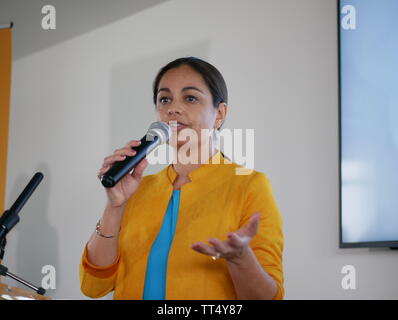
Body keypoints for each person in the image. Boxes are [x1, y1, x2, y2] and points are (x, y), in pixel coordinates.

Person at [79, 57, 284, 300]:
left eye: (190, 98)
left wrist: (241, 259)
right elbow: (93, 287)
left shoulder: (250, 185)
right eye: (164, 99)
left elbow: (269, 297)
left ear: (219, 113)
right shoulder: (138, 188)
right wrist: (115, 206)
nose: (172, 109)